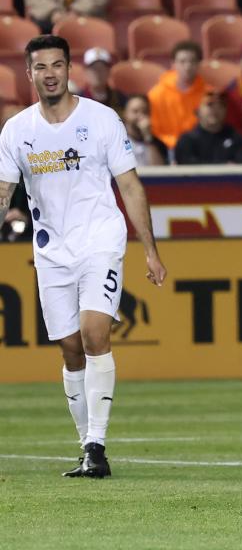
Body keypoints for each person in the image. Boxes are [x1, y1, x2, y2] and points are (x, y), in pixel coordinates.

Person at [0, 34, 166, 479]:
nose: (50, 74)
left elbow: (129, 185)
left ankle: (97, 444)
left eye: (58, 65)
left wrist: (150, 250)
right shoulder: (17, 131)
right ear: (29, 73)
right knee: (70, 348)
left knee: (95, 334)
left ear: (69, 69)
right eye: (41, 67)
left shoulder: (101, 119)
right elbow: (3, 192)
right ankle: (85, 447)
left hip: (100, 240)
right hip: (52, 251)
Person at [148, 41, 212, 150]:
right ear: (173, 63)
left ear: (199, 63)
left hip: (201, 149)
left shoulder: (209, 94)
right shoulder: (156, 94)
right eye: (182, 61)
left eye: (192, 61)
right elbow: (154, 129)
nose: (187, 66)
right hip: (167, 148)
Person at [174, 90, 242, 164]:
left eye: (221, 105)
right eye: (210, 104)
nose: (215, 109)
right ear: (198, 110)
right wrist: (224, 166)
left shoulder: (236, 139)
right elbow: (188, 166)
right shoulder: (188, 140)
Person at [79, 48, 126, 117]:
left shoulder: (120, 99)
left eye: (102, 68)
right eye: (94, 69)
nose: (98, 73)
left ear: (109, 71)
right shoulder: (77, 100)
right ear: (85, 72)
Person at [121, 94, 167, 166]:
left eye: (145, 112)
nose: (141, 116)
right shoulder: (116, 141)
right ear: (125, 114)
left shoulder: (157, 144)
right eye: (135, 111)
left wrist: (148, 137)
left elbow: (159, 171)